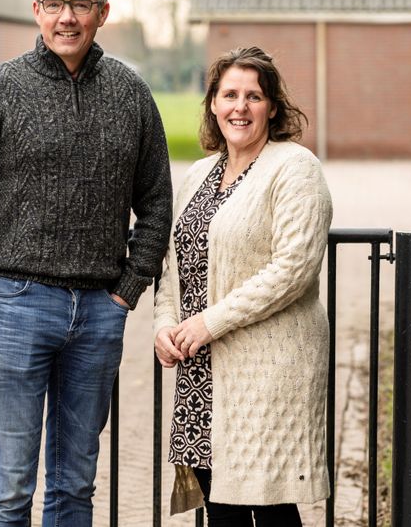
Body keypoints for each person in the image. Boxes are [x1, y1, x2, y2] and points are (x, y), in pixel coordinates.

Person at [0, 0, 172, 526]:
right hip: (13, 306)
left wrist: (126, 293)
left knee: (74, 486)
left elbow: (158, 203)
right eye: (55, 4)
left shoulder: (131, 94)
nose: (67, 17)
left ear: (103, 13)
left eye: (81, 5)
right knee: (10, 487)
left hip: (97, 313)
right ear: (36, 11)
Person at [153, 46, 334, 525]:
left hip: (264, 370)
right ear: (212, 103)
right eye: (229, 94)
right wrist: (166, 324)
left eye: (253, 96)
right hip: (201, 370)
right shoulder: (198, 173)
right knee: (221, 508)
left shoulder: (294, 168)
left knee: (268, 506)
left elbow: (294, 266)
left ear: (272, 107)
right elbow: (175, 261)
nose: (240, 107)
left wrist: (207, 324)